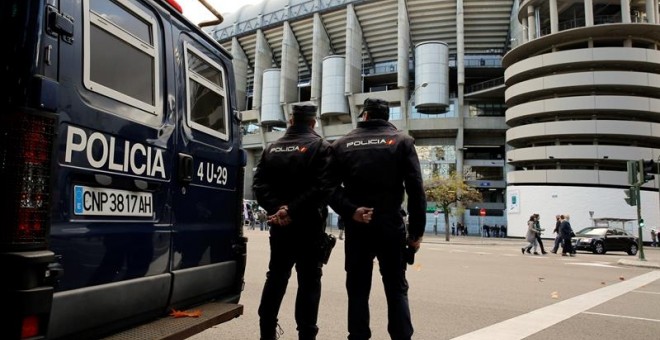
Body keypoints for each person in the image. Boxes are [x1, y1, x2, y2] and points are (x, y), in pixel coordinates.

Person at [329, 98, 426, 340]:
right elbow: (416, 191)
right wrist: (415, 234)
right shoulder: (402, 142)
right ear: (386, 116)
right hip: (391, 226)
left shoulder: (341, 144)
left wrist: (351, 210)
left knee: (358, 289)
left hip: (357, 227)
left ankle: (358, 336)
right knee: (396, 288)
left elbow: (328, 187)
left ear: (365, 116)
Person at [252, 104, 338, 340]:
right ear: (313, 123)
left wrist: (278, 210)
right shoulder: (321, 147)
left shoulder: (271, 148)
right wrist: (291, 209)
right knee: (309, 281)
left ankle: (267, 332)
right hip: (309, 226)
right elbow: (323, 187)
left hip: (280, 227)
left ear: (291, 121)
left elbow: (259, 186)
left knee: (276, 276)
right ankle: (307, 335)